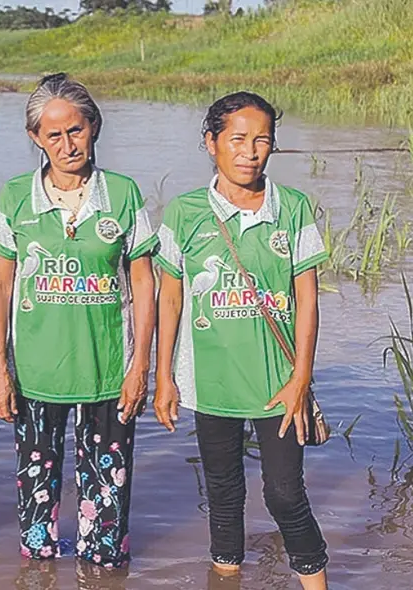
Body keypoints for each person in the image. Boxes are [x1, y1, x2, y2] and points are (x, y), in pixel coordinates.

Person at [153, 91, 329, 589]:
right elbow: (170, 301)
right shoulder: (185, 212)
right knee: (224, 492)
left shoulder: (292, 208)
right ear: (211, 143)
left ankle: (315, 580)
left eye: (262, 140)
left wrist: (301, 380)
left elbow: (308, 303)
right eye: (237, 139)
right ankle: (225, 576)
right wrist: (163, 377)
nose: (251, 151)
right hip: (211, 381)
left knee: (285, 495)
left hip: (277, 382)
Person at [0, 73, 157, 567]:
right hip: (34, 374)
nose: (66, 144)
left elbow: (143, 284)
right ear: (35, 138)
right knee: (35, 516)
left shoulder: (122, 194)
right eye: (53, 134)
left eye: (75, 130)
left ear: (94, 127)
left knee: (107, 515)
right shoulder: (15, 196)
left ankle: (100, 574)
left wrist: (139, 365)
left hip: (108, 372)